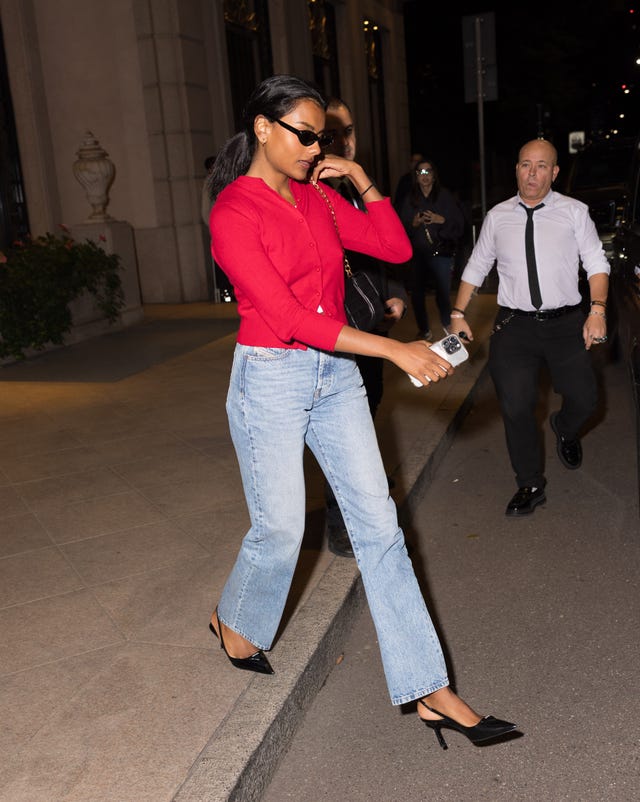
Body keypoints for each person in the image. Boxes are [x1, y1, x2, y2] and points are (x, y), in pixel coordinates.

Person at [206, 74, 516, 748]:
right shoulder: (234, 212)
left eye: (326, 138)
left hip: (335, 377)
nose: (318, 148)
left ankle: (430, 690)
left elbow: (397, 248)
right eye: (307, 135)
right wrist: (395, 350)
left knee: (380, 527)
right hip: (270, 380)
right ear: (264, 127)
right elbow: (285, 317)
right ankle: (234, 619)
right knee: (282, 530)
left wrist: (364, 180)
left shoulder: (319, 196)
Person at [449, 138, 610, 517]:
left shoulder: (574, 212)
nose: (532, 173)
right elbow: (476, 265)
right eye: (525, 165)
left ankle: (566, 428)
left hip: (566, 322)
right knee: (516, 405)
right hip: (515, 325)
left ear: (554, 172)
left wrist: (597, 309)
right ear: (517, 169)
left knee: (585, 399)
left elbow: (597, 264)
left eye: (541, 166)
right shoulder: (498, 216)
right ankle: (530, 482)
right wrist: (458, 314)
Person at [321, 96, 408, 558]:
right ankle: (339, 521)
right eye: (333, 134)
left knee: (367, 414)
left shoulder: (357, 183)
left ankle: (363, 492)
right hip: (335, 336)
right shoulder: (316, 192)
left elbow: (386, 250)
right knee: (342, 432)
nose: (344, 141)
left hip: (371, 327)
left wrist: (393, 294)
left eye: (349, 131)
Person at [399, 158, 464, 339]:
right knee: (417, 294)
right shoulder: (410, 199)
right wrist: (414, 222)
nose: (425, 176)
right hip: (418, 254)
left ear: (434, 176)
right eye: (421, 172)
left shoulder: (444, 196)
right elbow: (401, 227)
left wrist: (439, 219)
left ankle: (447, 326)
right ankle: (424, 329)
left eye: (429, 172)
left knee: (443, 293)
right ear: (416, 176)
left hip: (440, 252)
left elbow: (459, 224)